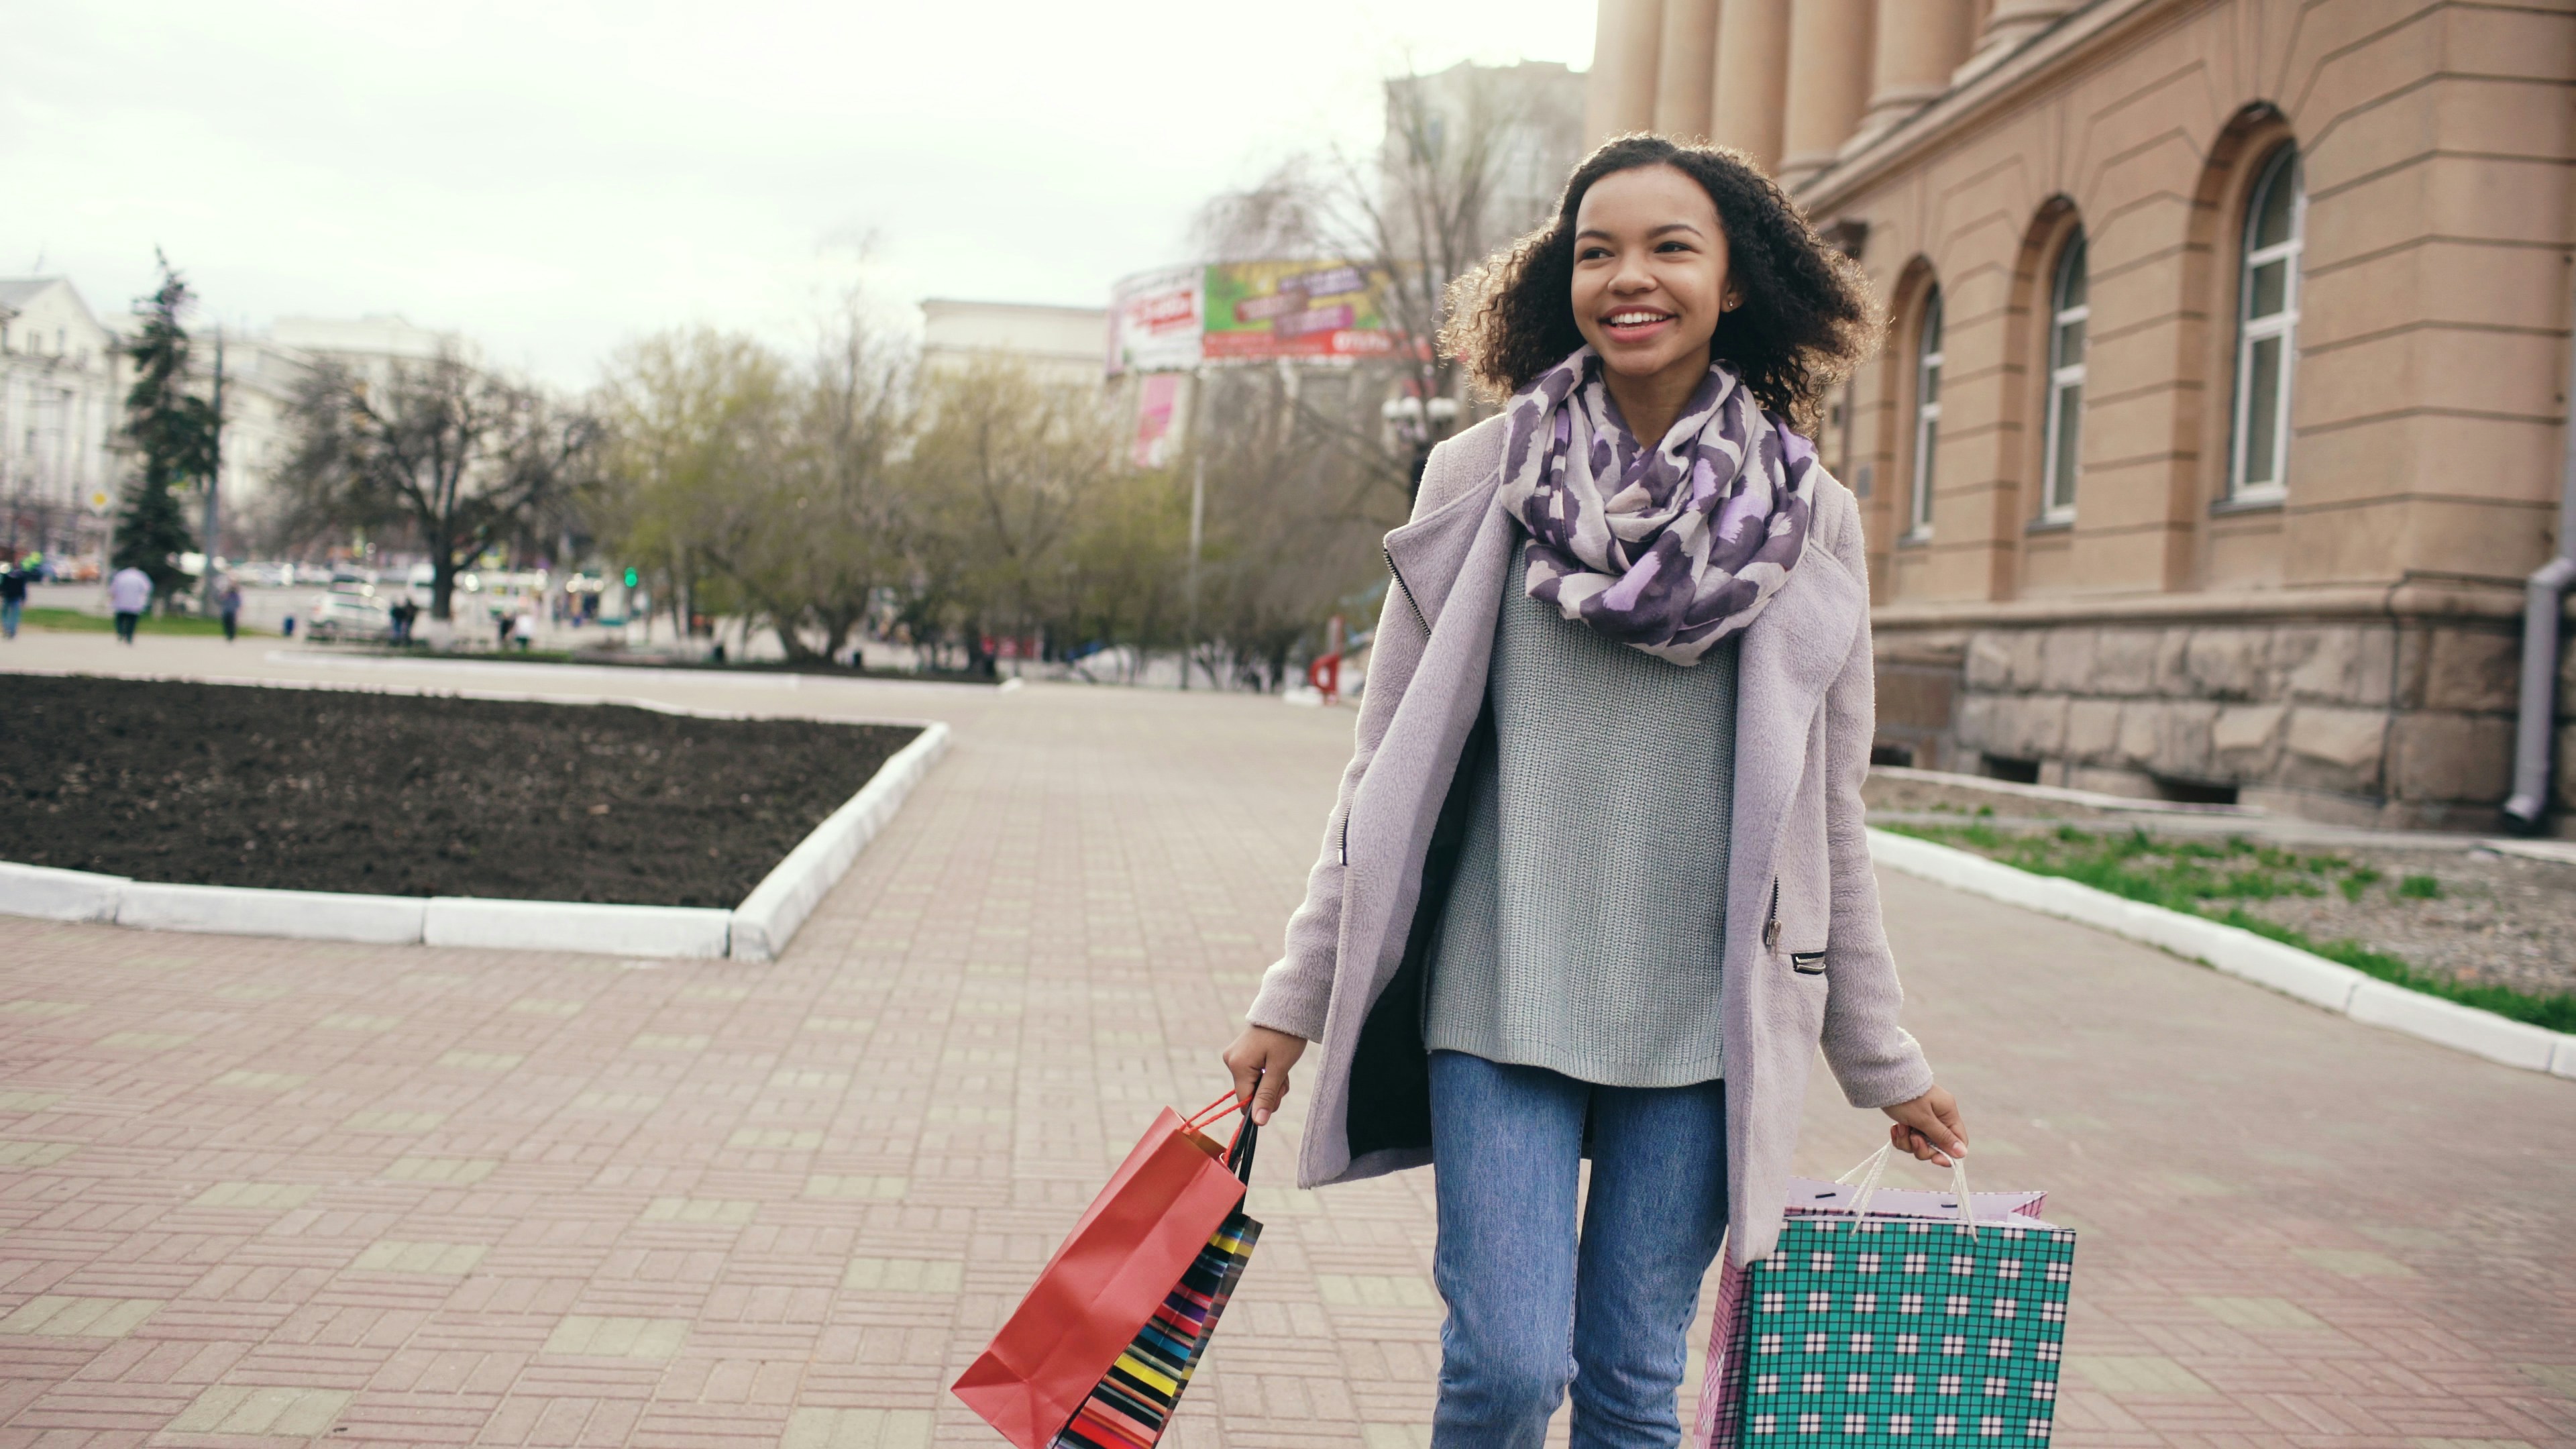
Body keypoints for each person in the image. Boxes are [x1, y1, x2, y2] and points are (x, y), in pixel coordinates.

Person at [1220, 136, 1970, 1448]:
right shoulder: (1483, 480)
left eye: (1671, 248)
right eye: (1596, 250)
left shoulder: (1810, 517)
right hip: (1498, 989)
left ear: (1735, 281)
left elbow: (1831, 818)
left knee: (1631, 1383)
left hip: (1698, 1016)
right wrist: (1293, 997)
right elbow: (1382, 766)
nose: (1631, 278)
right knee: (1509, 1368)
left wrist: (1883, 1057)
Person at [107, 564, 153, 645]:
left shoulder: (120, 575)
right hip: (135, 603)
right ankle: (129, 636)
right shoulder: (141, 576)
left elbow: (113, 589)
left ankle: (120, 633)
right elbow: (147, 589)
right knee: (132, 622)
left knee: (120, 620)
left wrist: (113, 599)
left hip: (121, 602)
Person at [0, 557, 25, 639]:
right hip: (15, 597)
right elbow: (22, 588)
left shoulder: (6, 574)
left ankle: (7, 628)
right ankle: (12, 630)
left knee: (5, 614)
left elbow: (3, 585)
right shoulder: (21, 575)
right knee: (14, 615)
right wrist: (23, 598)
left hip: (7, 596)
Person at [215, 575, 243, 643]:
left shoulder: (235, 594)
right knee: (226, 623)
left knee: (231, 624)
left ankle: (232, 636)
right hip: (226, 610)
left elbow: (238, 602)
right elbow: (220, 599)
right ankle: (228, 635)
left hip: (232, 610)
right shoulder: (226, 593)